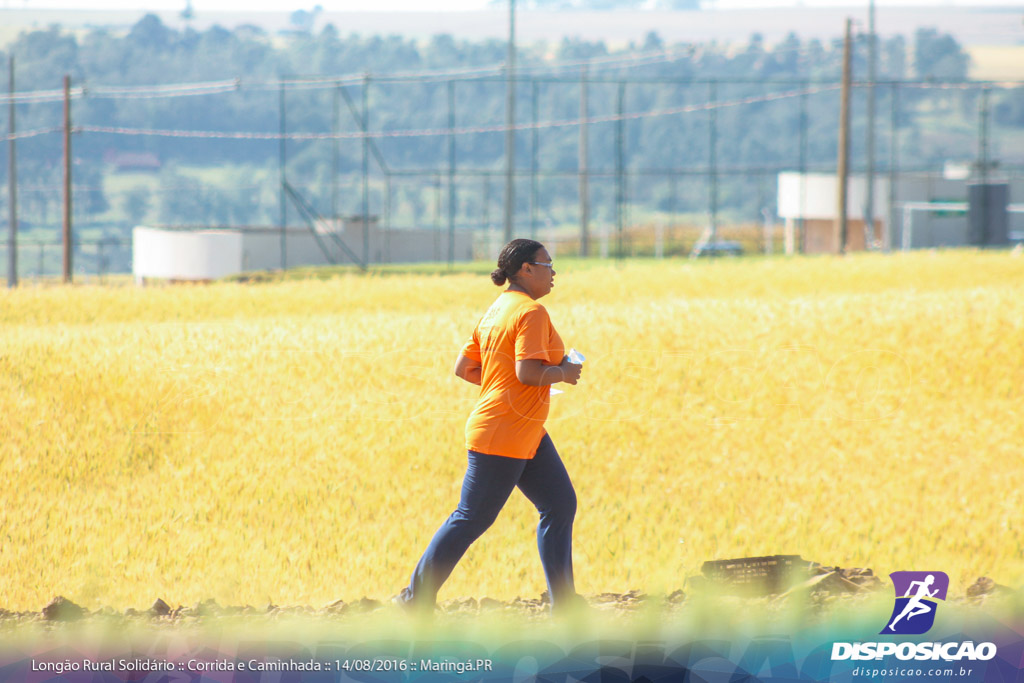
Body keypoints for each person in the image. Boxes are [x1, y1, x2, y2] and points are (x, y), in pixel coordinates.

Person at [397, 238, 584, 614]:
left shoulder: (497, 308)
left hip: (524, 429)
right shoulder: (530, 312)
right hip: (504, 431)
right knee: (471, 518)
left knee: (560, 504)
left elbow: (464, 367)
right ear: (526, 269)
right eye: (548, 265)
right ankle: (414, 601)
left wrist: (505, 387)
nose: (553, 274)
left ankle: (564, 605)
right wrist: (563, 371)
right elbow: (527, 372)